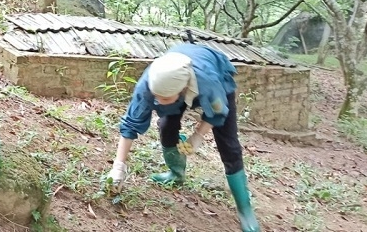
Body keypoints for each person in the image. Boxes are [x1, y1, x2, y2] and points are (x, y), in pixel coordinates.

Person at [106, 42, 261, 232]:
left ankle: (245, 209)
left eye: (164, 99)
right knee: (166, 125)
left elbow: (217, 113)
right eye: (156, 97)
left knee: (228, 144)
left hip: (211, 72)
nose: (157, 102)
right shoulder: (149, 84)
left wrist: (198, 136)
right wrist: (118, 168)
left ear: (182, 89)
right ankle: (176, 173)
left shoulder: (209, 83)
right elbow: (131, 123)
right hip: (177, 82)